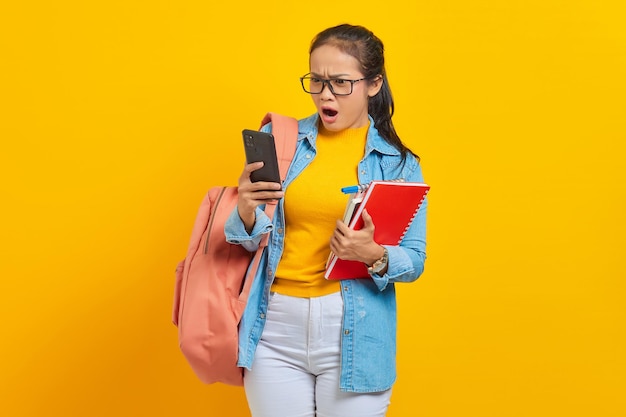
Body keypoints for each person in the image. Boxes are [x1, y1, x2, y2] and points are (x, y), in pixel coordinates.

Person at [224, 23, 427, 417]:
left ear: (373, 84)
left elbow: (415, 260)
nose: (325, 94)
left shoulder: (400, 165)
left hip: (356, 329)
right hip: (274, 326)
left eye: (340, 83)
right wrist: (245, 211)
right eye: (316, 81)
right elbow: (248, 248)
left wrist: (374, 254)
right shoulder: (282, 141)